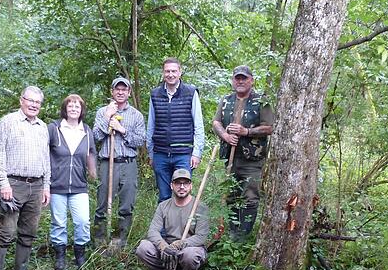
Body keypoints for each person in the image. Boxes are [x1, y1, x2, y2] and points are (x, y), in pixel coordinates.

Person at [0, 86, 51, 270]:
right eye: (30, 100)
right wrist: (3, 182)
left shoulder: (42, 127)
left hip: (36, 185)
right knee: (5, 232)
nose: (33, 105)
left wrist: (46, 186)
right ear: (21, 100)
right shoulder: (8, 122)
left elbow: (46, 159)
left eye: (37, 102)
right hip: (13, 185)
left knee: (29, 232)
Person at [212, 65, 274, 240]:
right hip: (230, 159)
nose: (240, 81)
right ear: (233, 80)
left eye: (244, 78)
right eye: (237, 78)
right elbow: (216, 122)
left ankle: (243, 237)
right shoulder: (226, 100)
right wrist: (225, 135)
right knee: (231, 194)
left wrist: (245, 131)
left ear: (251, 80)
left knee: (249, 197)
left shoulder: (261, 101)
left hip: (252, 159)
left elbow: (269, 127)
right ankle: (232, 234)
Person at [136, 169, 210, 270]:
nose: (182, 187)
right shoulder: (163, 206)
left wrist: (180, 244)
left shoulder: (200, 207)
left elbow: (201, 237)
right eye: (178, 183)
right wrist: (163, 246)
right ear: (172, 185)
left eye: (185, 183)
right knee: (143, 248)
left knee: (190, 255)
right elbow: (153, 231)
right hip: (168, 249)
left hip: (189, 248)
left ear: (191, 186)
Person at [92, 77, 146, 247]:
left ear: (129, 92)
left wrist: (121, 130)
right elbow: (95, 137)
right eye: (117, 89)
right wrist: (107, 118)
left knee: (127, 203)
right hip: (108, 162)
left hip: (128, 163)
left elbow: (140, 141)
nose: (120, 92)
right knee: (102, 201)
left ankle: (121, 240)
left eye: (124, 89)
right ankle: (100, 239)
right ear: (112, 92)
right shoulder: (102, 112)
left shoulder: (136, 115)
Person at [48, 94, 97, 270]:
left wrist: (92, 172)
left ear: (82, 110)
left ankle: (80, 255)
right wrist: (46, 180)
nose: (74, 109)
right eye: (71, 106)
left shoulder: (86, 131)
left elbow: (91, 152)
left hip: (79, 184)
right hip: (57, 184)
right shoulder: (54, 129)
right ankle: (60, 256)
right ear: (65, 109)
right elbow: (45, 153)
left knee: (83, 221)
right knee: (59, 222)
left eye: (77, 106)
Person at [147, 58, 205, 202]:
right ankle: (164, 225)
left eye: (174, 71)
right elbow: (151, 125)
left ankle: (183, 225)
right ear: (163, 73)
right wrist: (150, 152)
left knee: (183, 194)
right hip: (160, 153)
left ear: (180, 72)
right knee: (164, 196)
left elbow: (198, 125)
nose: (170, 74)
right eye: (167, 71)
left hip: (183, 154)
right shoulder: (155, 94)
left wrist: (197, 153)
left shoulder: (191, 93)